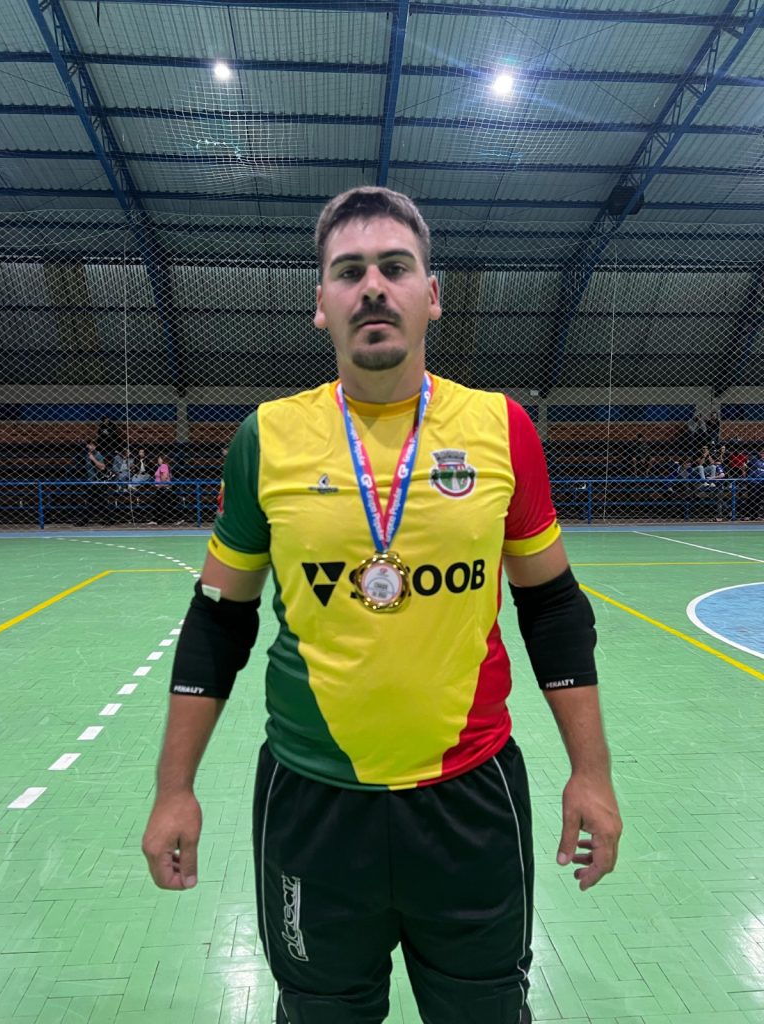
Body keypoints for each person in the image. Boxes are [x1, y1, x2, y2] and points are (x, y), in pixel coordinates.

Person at [142, 187, 622, 1024]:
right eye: (349, 271)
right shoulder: (265, 439)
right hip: (312, 803)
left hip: (470, 797)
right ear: (320, 304)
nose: (373, 286)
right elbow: (218, 622)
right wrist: (173, 788)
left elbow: (552, 609)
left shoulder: (502, 429)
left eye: (395, 268)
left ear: (431, 295)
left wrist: (593, 773)